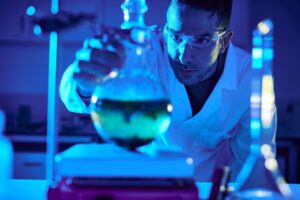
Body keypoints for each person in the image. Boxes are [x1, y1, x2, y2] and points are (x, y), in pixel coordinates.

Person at [60, 0, 276, 181]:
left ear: (225, 41)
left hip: (203, 190)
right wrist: (86, 81)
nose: (183, 56)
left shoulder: (250, 78)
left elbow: (252, 161)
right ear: (165, 30)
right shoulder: (143, 49)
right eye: (176, 36)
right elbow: (72, 91)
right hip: (139, 186)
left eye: (201, 40)